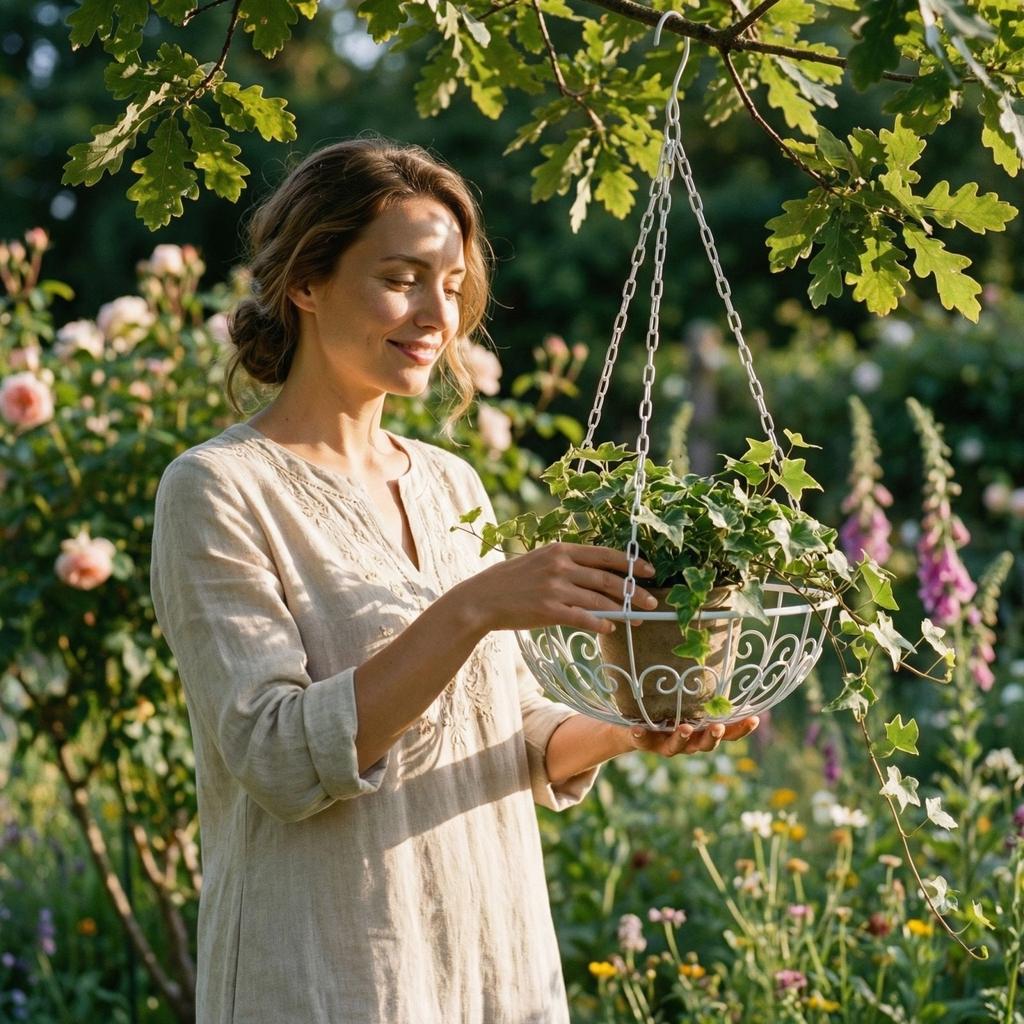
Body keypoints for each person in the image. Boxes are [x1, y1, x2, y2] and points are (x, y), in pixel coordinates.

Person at [149, 137, 758, 1024]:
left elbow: (506, 730)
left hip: (490, 963)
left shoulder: (449, 484)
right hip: (329, 974)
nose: (437, 314)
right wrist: (474, 607)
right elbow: (278, 758)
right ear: (306, 283)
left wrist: (631, 730)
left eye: (451, 283)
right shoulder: (216, 489)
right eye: (401, 277)